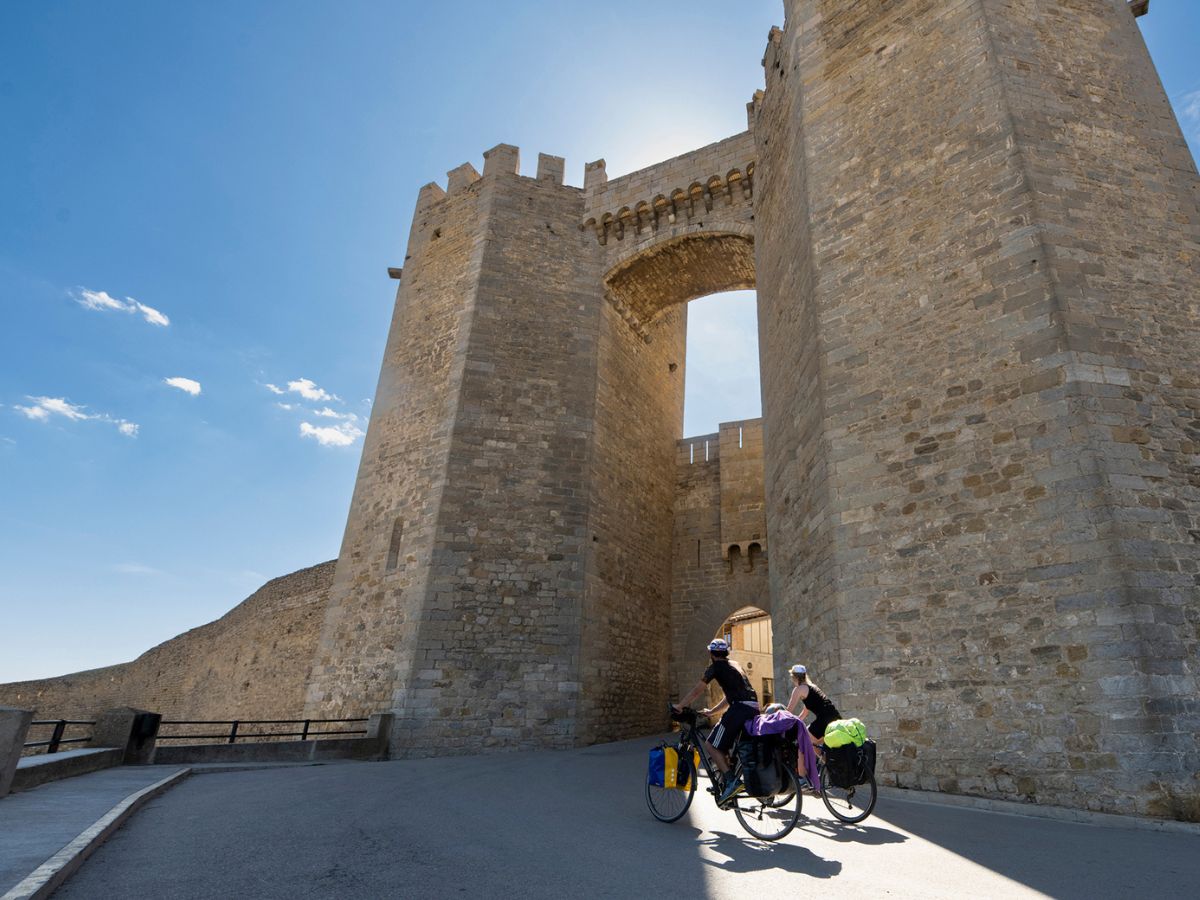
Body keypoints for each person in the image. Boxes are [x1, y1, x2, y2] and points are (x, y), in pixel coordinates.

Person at [674, 638, 760, 805]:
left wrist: (680, 705)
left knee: (711, 745)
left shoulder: (715, 668)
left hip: (739, 709)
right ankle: (726, 779)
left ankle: (731, 781)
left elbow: (698, 690)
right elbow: (731, 696)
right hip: (753, 707)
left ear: (712, 654)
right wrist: (712, 712)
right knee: (723, 744)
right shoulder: (735, 665)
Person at [785, 664, 841, 746]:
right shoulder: (812, 687)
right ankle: (823, 758)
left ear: (794, 677)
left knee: (805, 738)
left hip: (824, 720)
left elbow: (788, 711)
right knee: (817, 744)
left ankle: (820, 759)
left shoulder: (799, 689)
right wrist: (796, 722)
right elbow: (805, 712)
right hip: (835, 716)